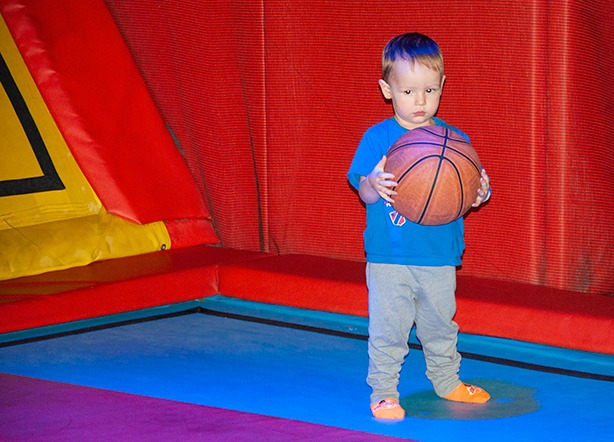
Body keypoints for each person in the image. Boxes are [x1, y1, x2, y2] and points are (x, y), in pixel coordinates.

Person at [347, 32, 492, 420]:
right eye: (408, 91)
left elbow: (471, 189)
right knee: (388, 330)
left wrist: (479, 192)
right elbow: (363, 191)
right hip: (389, 258)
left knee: (440, 326)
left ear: (442, 87)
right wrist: (372, 184)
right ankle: (383, 391)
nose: (420, 101)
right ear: (386, 90)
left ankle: (447, 380)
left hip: (438, 256)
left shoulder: (454, 141)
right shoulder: (378, 138)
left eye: (429, 90)